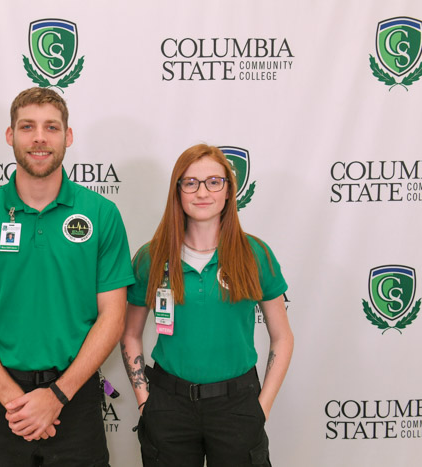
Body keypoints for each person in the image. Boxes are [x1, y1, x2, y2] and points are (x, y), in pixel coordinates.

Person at [0, 87, 134, 467]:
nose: (40, 138)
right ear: (11, 136)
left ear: (69, 136)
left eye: (51, 127)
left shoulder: (102, 214)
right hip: (2, 402)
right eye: (27, 127)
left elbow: (113, 316)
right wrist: (16, 402)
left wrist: (57, 396)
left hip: (75, 398)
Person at [121, 144, 293, 467]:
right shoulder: (151, 257)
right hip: (168, 405)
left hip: (237, 406)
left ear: (229, 190)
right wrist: (145, 402)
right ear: (178, 191)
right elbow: (130, 334)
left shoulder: (256, 255)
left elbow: (282, 337)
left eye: (214, 182)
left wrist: (262, 407)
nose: (202, 192)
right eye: (191, 182)